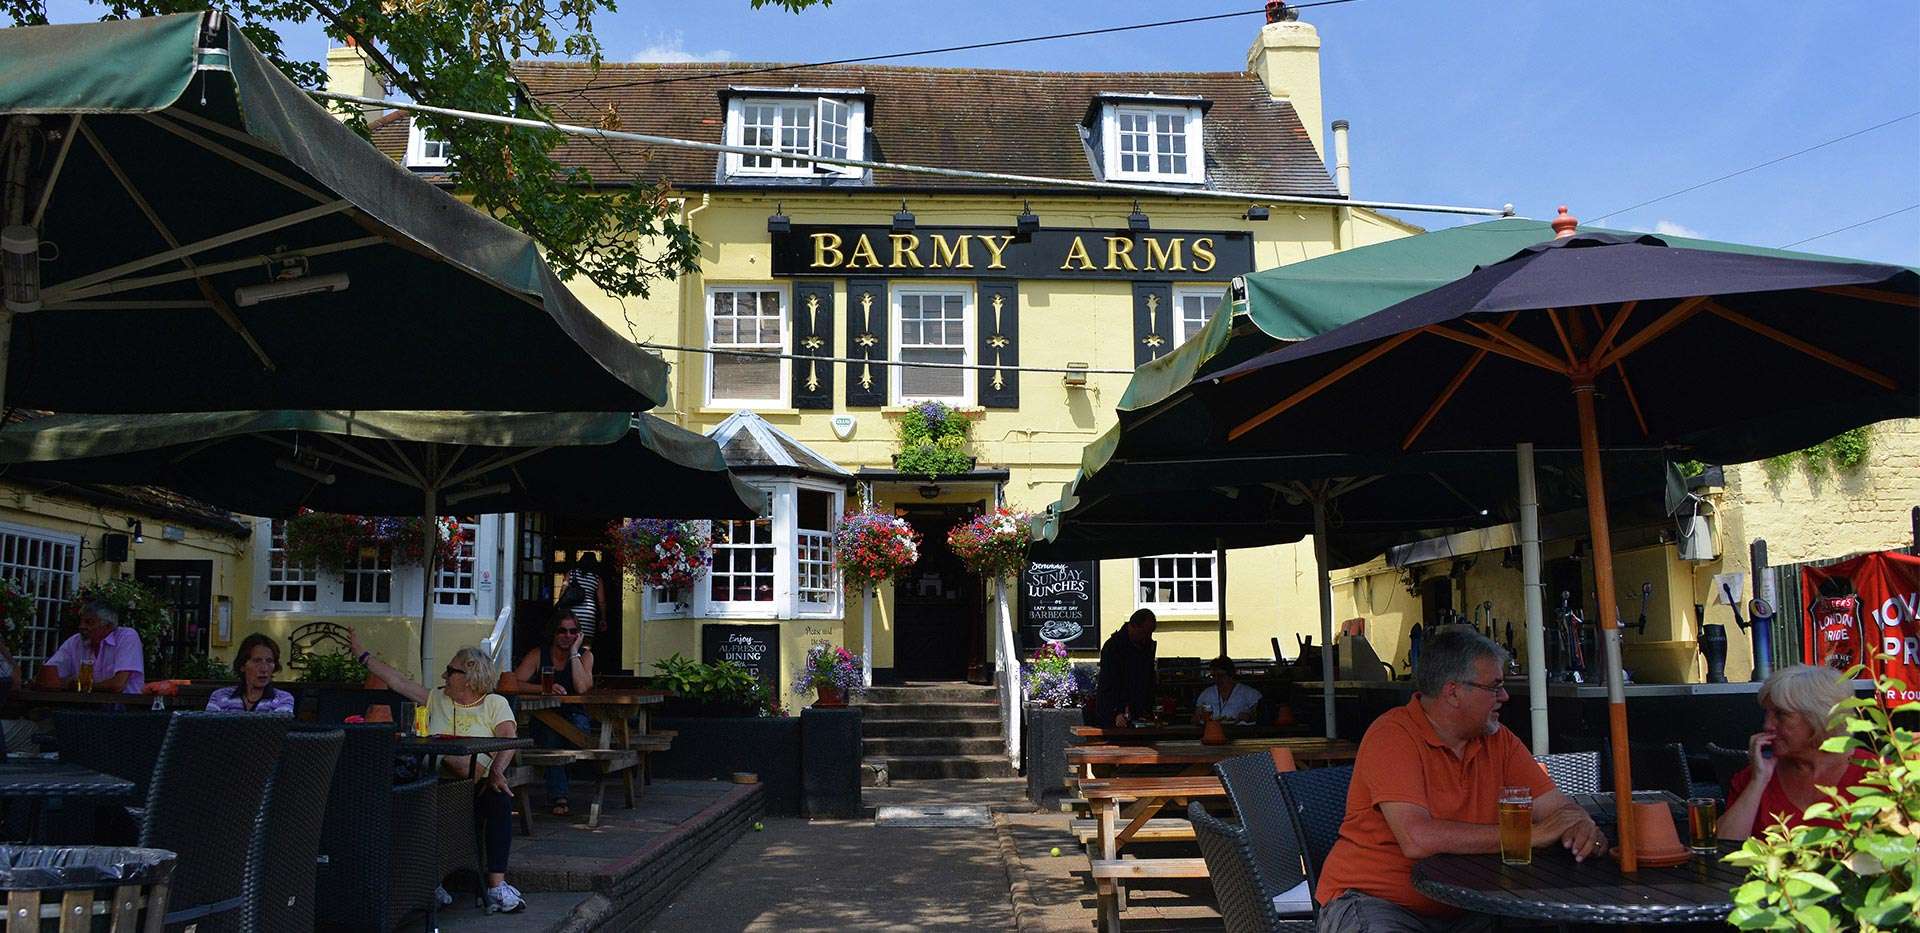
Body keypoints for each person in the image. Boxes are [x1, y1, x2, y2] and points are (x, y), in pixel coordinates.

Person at [1316, 629, 1604, 932]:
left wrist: (1581, 827)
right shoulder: (1393, 735)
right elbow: (1417, 838)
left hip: (1471, 905)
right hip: (1378, 902)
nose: (1504, 697)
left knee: (1555, 923)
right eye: (1495, 687)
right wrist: (1528, 836)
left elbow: (1558, 810)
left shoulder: (1499, 741)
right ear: (1453, 692)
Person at [351, 628, 526, 914]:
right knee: (408, 796)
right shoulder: (437, 699)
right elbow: (396, 681)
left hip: (476, 786)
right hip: (436, 786)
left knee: (500, 799)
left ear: (469, 677)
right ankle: (428, 883)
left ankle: (496, 886)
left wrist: (497, 771)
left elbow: (509, 739)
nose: (444, 676)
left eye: (450, 670)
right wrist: (363, 656)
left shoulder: (494, 704)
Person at [1719, 664, 1873, 841]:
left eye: (1780, 715)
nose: (1767, 725)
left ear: (1818, 718)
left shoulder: (1877, 775)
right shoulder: (1753, 778)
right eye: (1767, 714)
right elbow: (1724, 848)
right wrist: (1758, 781)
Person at [512, 611, 595, 816]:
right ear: (554, 633)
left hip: (575, 716)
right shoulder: (539, 655)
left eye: (573, 631)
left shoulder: (585, 656)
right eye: (562, 631)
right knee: (550, 736)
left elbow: (583, 687)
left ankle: (559, 793)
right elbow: (512, 682)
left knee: (565, 735)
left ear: (579, 634)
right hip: (544, 714)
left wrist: (575, 652)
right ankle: (560, 796)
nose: (567, 635)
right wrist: (542, 688)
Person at [41, 599, 145, 695]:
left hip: (126, 709)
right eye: (81, 621)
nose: (81, 626)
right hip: (88, 707)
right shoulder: (76, 641)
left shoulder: (126, 637)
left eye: (89, 622)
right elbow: (49, 675)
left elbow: (117, 685)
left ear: (108, 626)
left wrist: (78, 686)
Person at [1095, 609, 1157, 728]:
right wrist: (1117, 711)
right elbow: (1110, 681)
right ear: (1133, 626)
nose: (1147, 637)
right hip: (1115, 711)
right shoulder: (1113, 647)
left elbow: (1148, 677)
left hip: (1139, 709)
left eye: (1150, 633)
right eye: (1144, 632)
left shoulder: (1145, 646)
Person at [205, 633, 295, 713]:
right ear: (242, 666)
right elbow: (211, 729)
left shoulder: (282, 699)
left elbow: (276, 730)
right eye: (257, 661)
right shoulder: (220, 696)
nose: (264, 668)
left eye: (269, 661)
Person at [1192, 656, 1262, 724]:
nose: (1217, 679)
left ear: (1231, 675)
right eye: (1213, 676)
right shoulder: (1206, 694)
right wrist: (1198, 718)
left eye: (1221, 676)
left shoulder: (1248, 693)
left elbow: (1260, 713)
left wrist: (1248, 716)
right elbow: (1196, 717)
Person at [558, 554, 602, 640]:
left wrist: (561, 606)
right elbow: (601, 601)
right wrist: (603, 618)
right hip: (588, 613)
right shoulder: (597, 578)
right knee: (586, 642)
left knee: (571, 640)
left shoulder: (571, 573)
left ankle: (573, 653)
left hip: (572, 612)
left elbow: (563, 591)